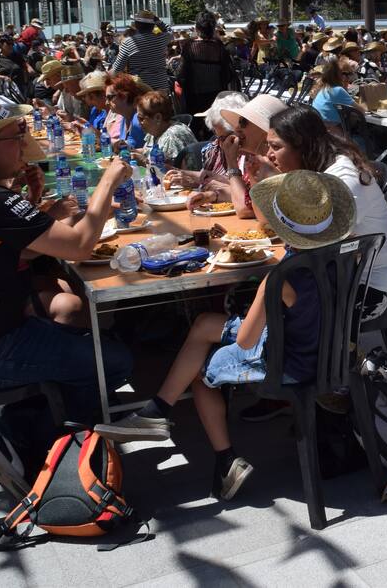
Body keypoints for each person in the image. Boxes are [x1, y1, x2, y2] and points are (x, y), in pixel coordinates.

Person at [95, 170, 356, 500]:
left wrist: (254, 311)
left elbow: (247, 341)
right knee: (205, 323)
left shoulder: (279, 279)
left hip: (292, 361)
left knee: (202, 374)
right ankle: (157, 411)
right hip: (327, 348)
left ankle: (225, 459)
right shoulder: (345, 255)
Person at [0, 97, 133, 499]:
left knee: (79, 338)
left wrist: (40, 214)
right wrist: (108, 181)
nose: (24, 143)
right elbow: (82, 246)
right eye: (17, 137)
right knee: (113, 362)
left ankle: (53, 432)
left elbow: (21, 250)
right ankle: (46, 447)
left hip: (3, 333)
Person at [264, 107, 387, 330]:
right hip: (343, 277)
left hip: (372, 290)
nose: (268, 154)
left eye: (276, 146)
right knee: (268, 293)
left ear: (303, 145)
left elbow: (311, 244)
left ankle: (311, 361)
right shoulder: (319, 169)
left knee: (273, 300)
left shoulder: (341, 182)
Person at [189, 94, 287, 219]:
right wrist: (212, 195)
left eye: (243, 122)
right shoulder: (257, 159)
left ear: (264, 129)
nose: (237, 128)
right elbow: (247, 195)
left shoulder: (275, 162)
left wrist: (231, 163)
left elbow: (245, 209)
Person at [165, 91, 248, 187]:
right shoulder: (214, 149)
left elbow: (248, 195)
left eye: (226, 137)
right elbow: (207, 177)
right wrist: (184, 175)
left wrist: (218, 185)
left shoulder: (252, 156)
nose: (221, 143)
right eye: (218, 136)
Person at [179, 10, 234, 120]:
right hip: (216, 97)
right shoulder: (220, 47)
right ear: (213, 28)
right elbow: (228, 74)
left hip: (194, 98)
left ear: (197, 28)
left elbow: (182, 74)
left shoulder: (189, 46)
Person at [111, 10, 172, 93]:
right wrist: (158, 21)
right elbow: (169, 31)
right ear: (153, 25)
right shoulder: (161, 38)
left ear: (137, 25)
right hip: (161, 87)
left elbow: (117, 69)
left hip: (140, 89)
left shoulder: (129, 42)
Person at [137, 91, 198, 167]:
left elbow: (171, 171)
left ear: (158, 117)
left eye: (141, 118)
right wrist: (130, 151)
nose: (139, 122)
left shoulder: (172, 136)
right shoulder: (155, 132)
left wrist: (143, 161)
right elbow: (148, 151)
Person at [311, 58, 363, 127]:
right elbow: (362, 111)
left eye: (350, 74)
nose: (348, 78)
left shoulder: (323, 88)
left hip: (322, 130)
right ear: (337, 75)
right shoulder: (337, 90)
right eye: (345, 74)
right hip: (334, 133)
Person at [104, 73, 148, 151]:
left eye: (110, 98)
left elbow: (131, 150)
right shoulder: (124, 117)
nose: (106, 103)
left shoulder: (138, 120)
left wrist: (100, 138)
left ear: (124, 96)